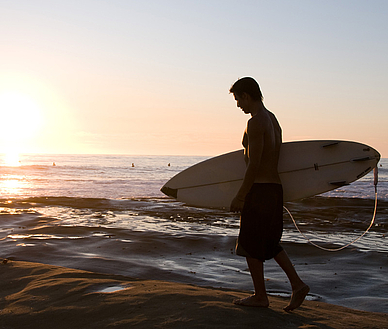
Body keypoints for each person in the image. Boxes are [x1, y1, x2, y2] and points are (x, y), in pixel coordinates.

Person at [229, 77, 309, 311]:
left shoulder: (256, 123)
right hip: (275, 189)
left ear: (246, 95)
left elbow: (254, 164)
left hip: (260, 190)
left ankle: (260, 296)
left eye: (238, 99)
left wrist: (241, 195)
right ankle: (297, 284)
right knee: (269, 241)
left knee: (248, 242)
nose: (238, 105)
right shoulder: (273, 120)